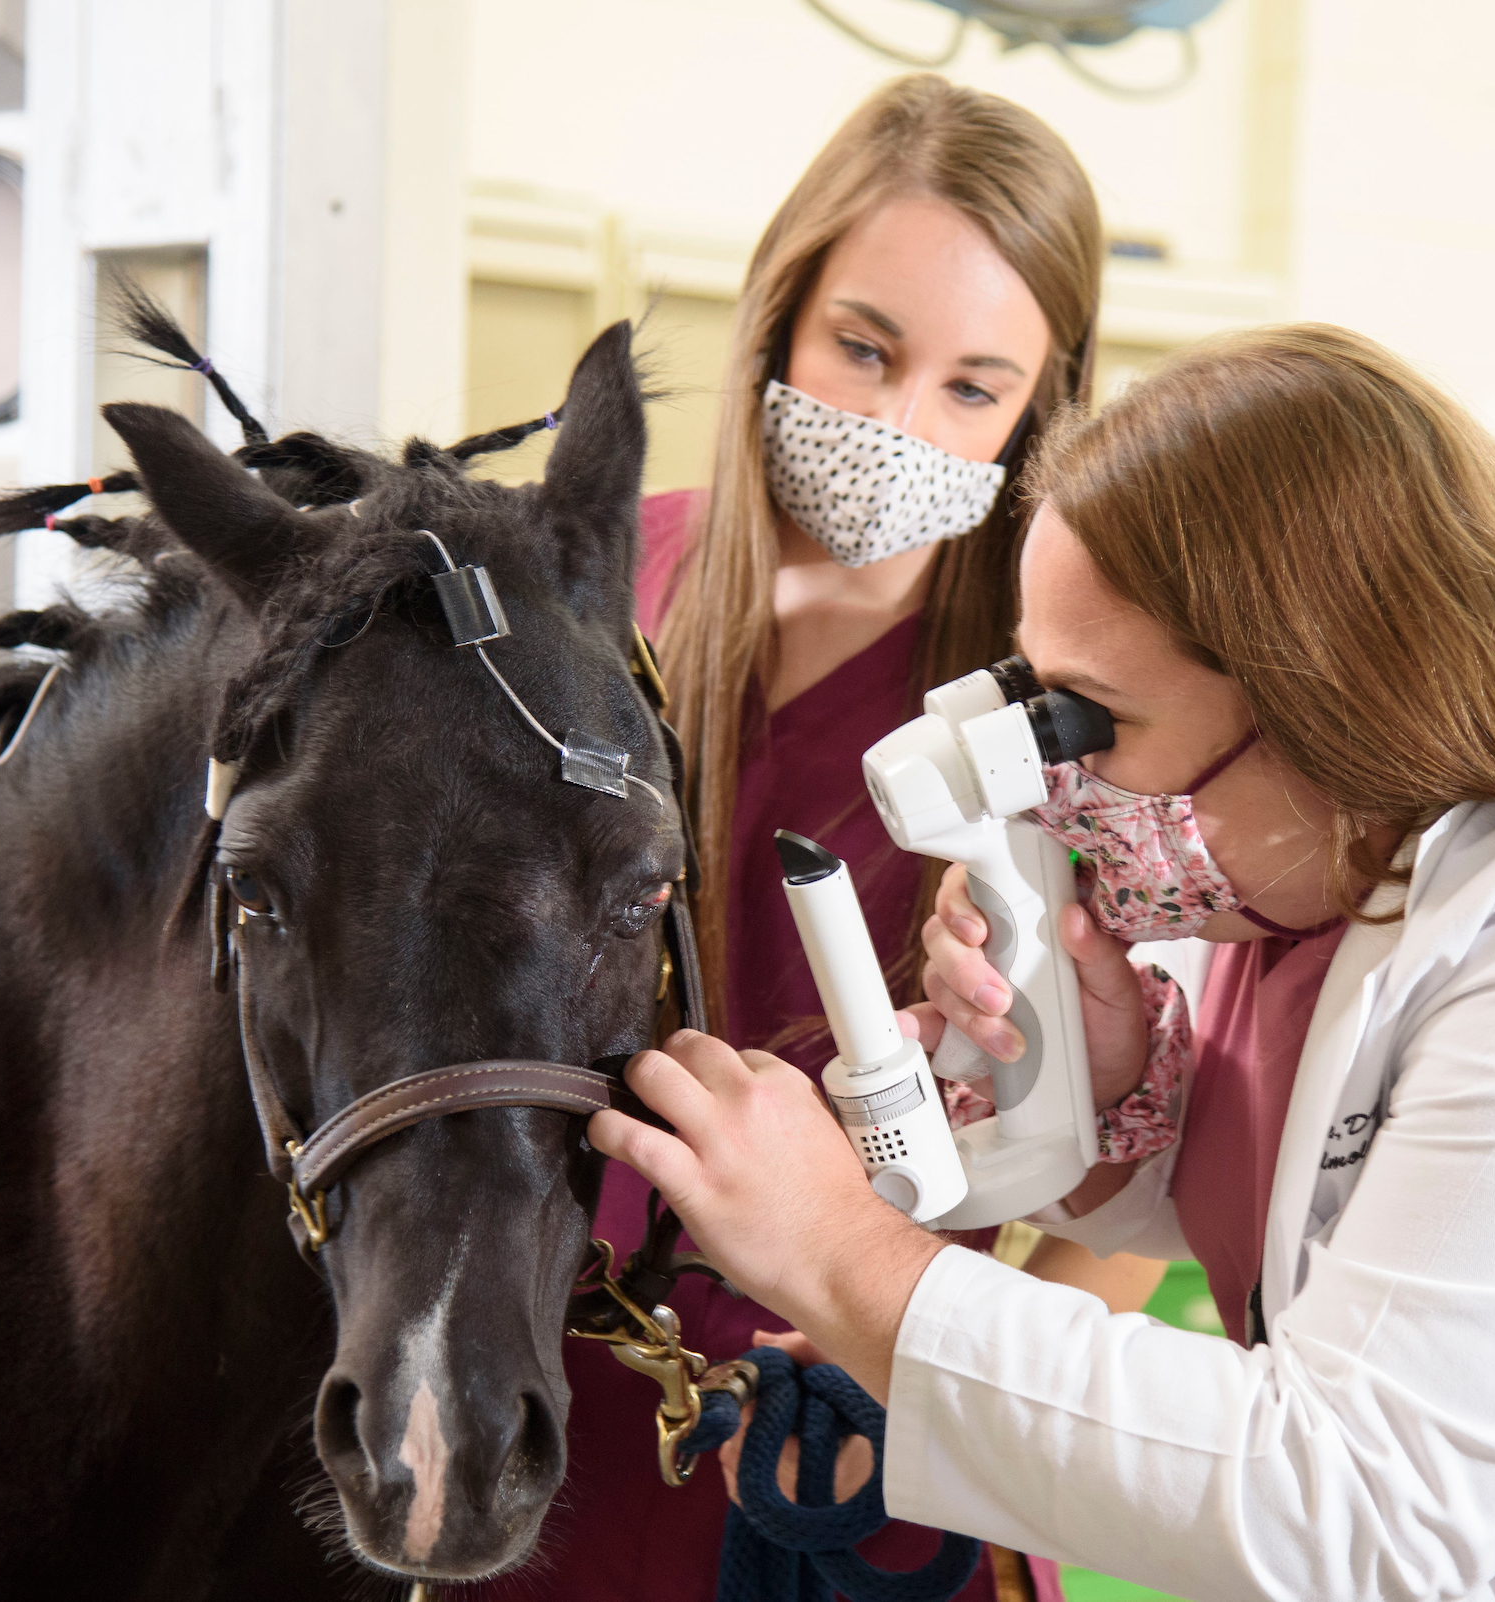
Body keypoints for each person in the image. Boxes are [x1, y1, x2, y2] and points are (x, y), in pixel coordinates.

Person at [590, 323, 1495, 1599]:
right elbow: (1359, 1228)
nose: (1067, 779)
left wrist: (842, 1252)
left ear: (1332, 698)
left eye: (1096, 720)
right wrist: (1123, 1107)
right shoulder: (1316, 873)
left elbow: (1352, 1493)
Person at [475, 76, 1131, 1602]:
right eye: (864, 348)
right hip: (542, 1411)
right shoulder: (579, 593)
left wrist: (942, 1398)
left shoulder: (1061, 714)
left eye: (974, 389)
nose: (901, 424)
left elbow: (1151, 1163)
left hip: (857, 1451)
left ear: (1039, 410)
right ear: (780, 318)